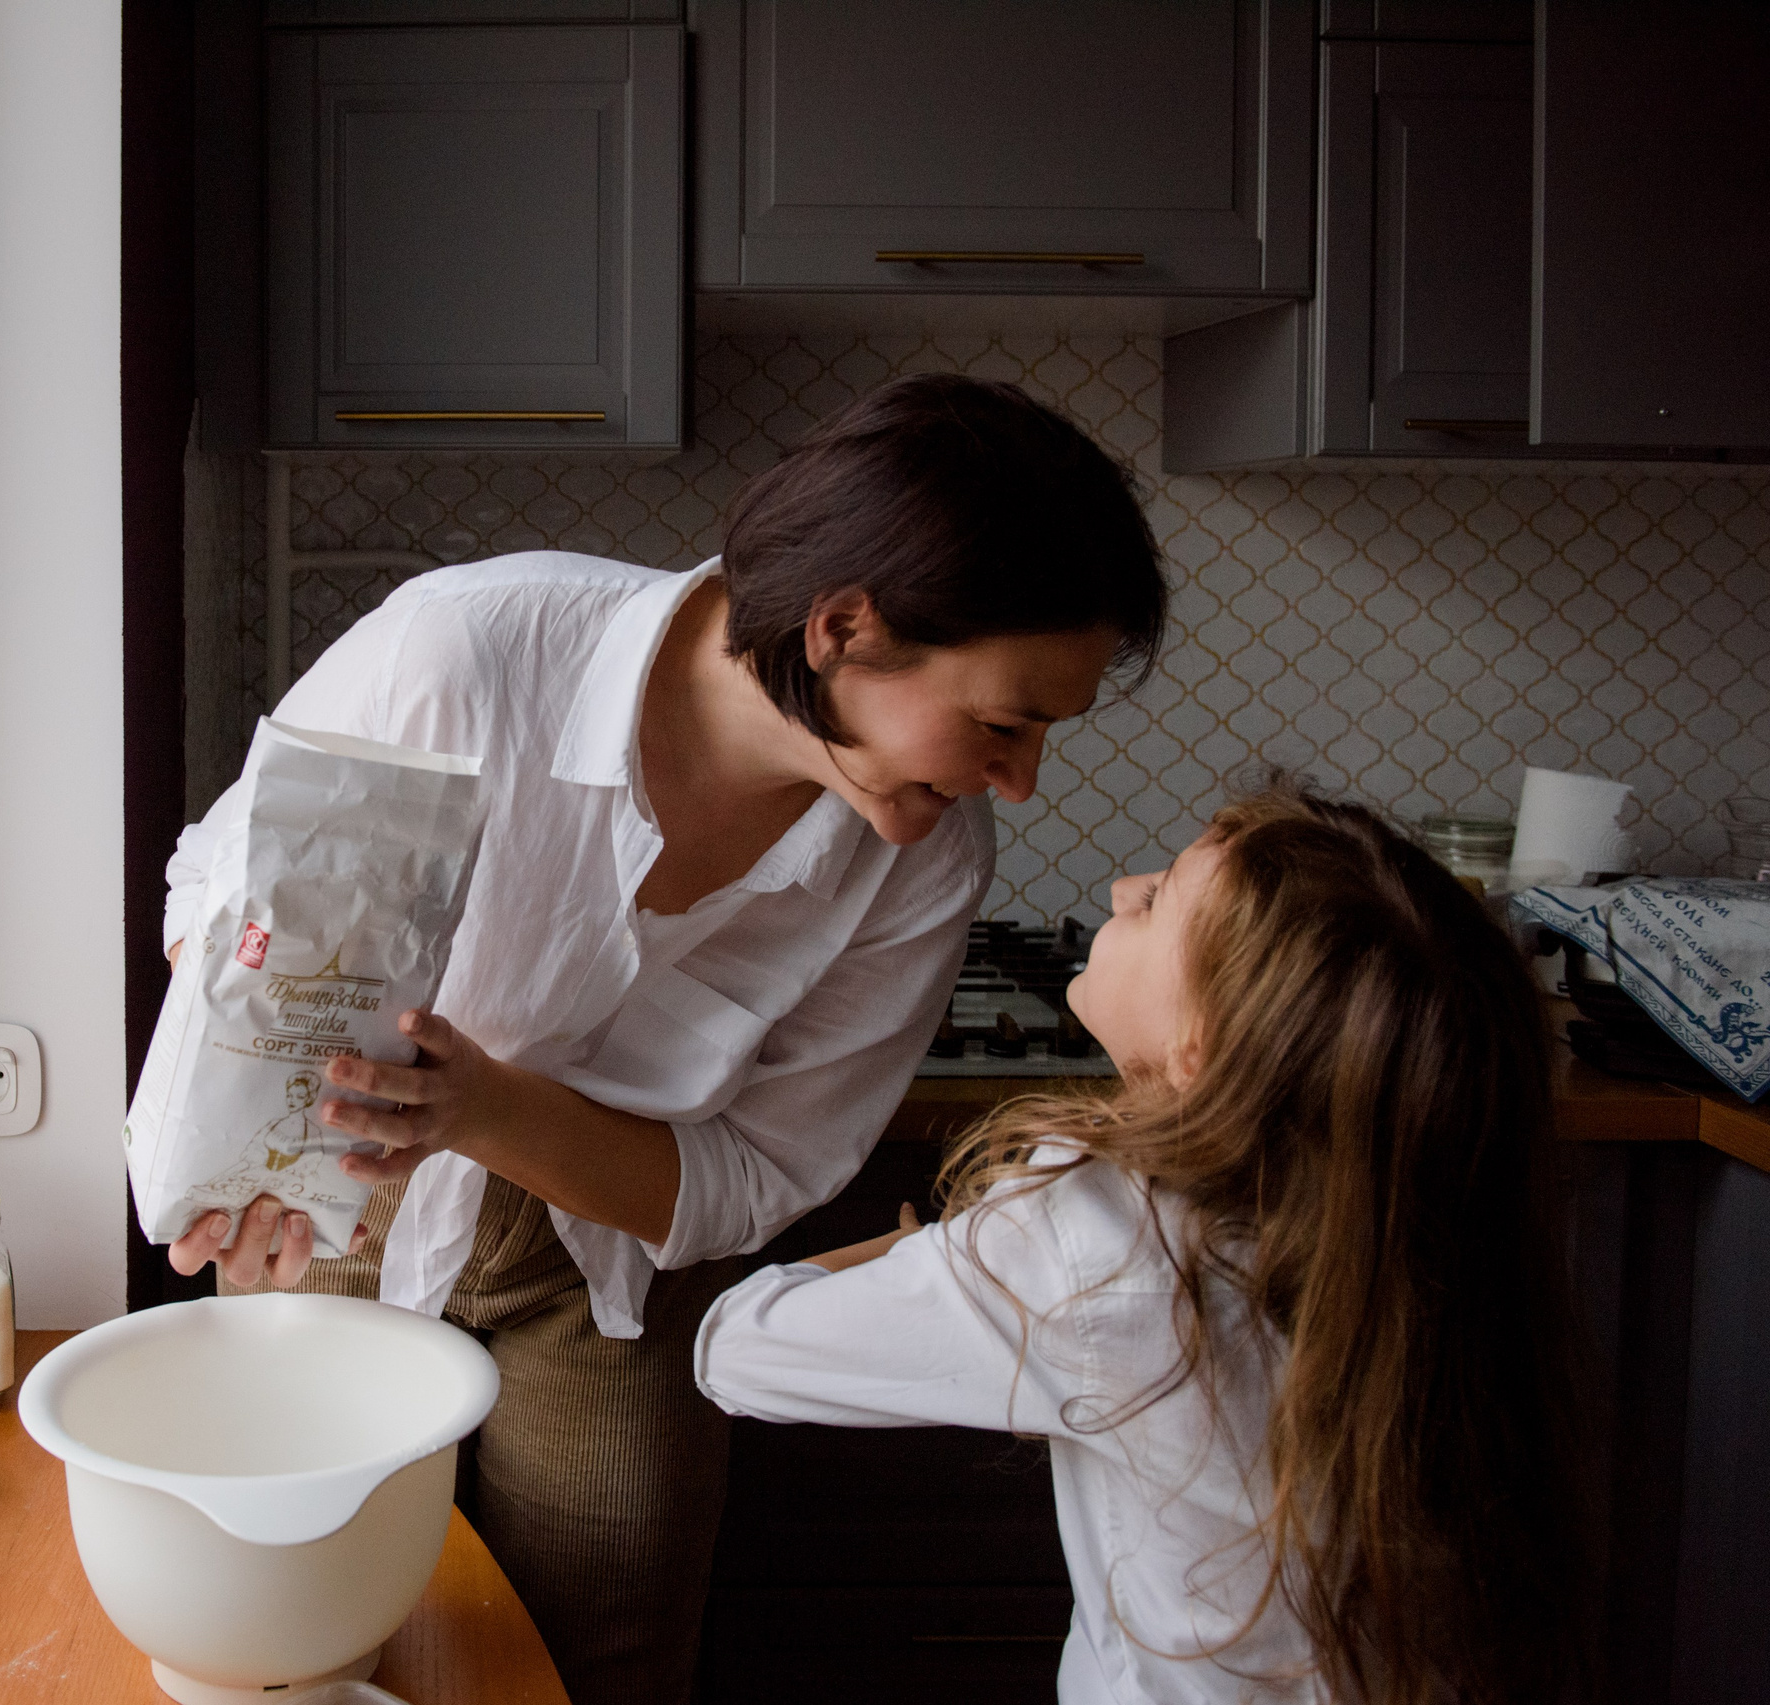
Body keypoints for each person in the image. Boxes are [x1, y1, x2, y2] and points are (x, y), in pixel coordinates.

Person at [156, 375, 1169, 1705]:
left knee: (605, 1670)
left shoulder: (918, 862)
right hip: (340, 1223)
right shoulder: (470, 656)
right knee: (298, 1654)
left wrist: (487, 1111)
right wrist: (237, 1136)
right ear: (847, 629)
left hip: (613, 1273)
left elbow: (753, 1176)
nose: (1021, 778)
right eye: (1003, 722)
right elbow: (222, 907)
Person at [693, 785, 1588, 1705]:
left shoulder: (1097, 1233)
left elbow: (737, 1347)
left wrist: (918, 1253)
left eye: (1159, 899)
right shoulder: (1415, 1221)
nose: (1122, 888)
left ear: (1203, 1045)